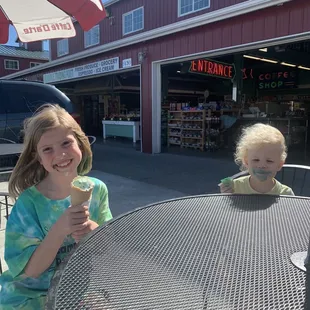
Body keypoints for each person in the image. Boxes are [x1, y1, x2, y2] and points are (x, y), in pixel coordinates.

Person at [0, 104, 113, 309]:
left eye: (66, 143)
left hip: (73, 289)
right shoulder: (29, 203)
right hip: (28, 295)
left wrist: (94, 232)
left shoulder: (97, 191)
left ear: (80, 144)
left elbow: (103, 248)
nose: (60, 154)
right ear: (38, 158)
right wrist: (60, 228)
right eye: (48, 149)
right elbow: (31, 271)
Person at [220, 123, 294, 195]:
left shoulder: (285, 193)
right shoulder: (234, 188)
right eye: (256, 160)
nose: (262, 165)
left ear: (279, 165)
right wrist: (226, 196)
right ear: (246, 161)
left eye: (269, 161)